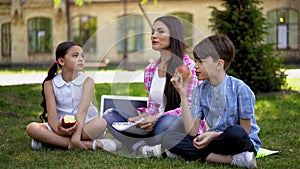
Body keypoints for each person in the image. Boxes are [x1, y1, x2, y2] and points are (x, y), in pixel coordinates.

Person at [103, 15, 203, 157]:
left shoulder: (189, 68)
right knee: (110, 115)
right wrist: (142, 118)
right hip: (154, 127)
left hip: (174, 126)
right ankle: (143, 147)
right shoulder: (150, 69)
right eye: (152, 32)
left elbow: (191, 109)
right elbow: (153, 108)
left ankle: (134, 142)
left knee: (166, 122)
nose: (154, 36)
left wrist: (156, 118)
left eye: (160, 31)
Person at [163, 35, 262, 168]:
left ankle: (190, 154)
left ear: (219, 64)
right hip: (215, 142)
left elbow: (245, 131)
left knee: (236, 132)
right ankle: (234, 160)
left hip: (239, 142)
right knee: (170, 138)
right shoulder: (199, 91)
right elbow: (192, 131)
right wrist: (182, 94)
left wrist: (213, 135)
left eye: (200, 62)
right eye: (195, 61)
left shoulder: (241, 89)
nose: (195, 66)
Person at [26, 41, 117, 152]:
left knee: (101, 123)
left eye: (82, 56)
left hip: (84, 125)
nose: (80, 59)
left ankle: (50, 141)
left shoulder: (88, 81)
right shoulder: (49, 84)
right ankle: (91, 145)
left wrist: (76, 136)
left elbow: (82, 112)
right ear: (61, 61)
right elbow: (52, 116)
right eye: (75, 55)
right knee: (32, 128)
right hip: (59, 127)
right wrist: (60, 131)